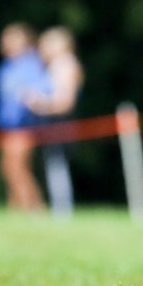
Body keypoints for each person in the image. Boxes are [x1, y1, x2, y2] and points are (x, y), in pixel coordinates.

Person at [26, 26, 84, 220]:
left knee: (57, 166)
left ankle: (62, 212)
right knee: (55, 166)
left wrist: (38, 103)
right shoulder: (59, 65)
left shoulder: (64, 64)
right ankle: (60, 210)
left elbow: (64, 102)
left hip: (60, 123)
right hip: (55, 123)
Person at [0, 23, 50, 214]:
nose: (6, 43)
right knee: (8, 168)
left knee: (17, 168)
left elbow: (42, 91)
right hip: (8, 127)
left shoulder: (31, 64)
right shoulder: (7, 67)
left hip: (25, 126)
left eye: (12, 38)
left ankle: (33, 209)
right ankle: (16, 208)